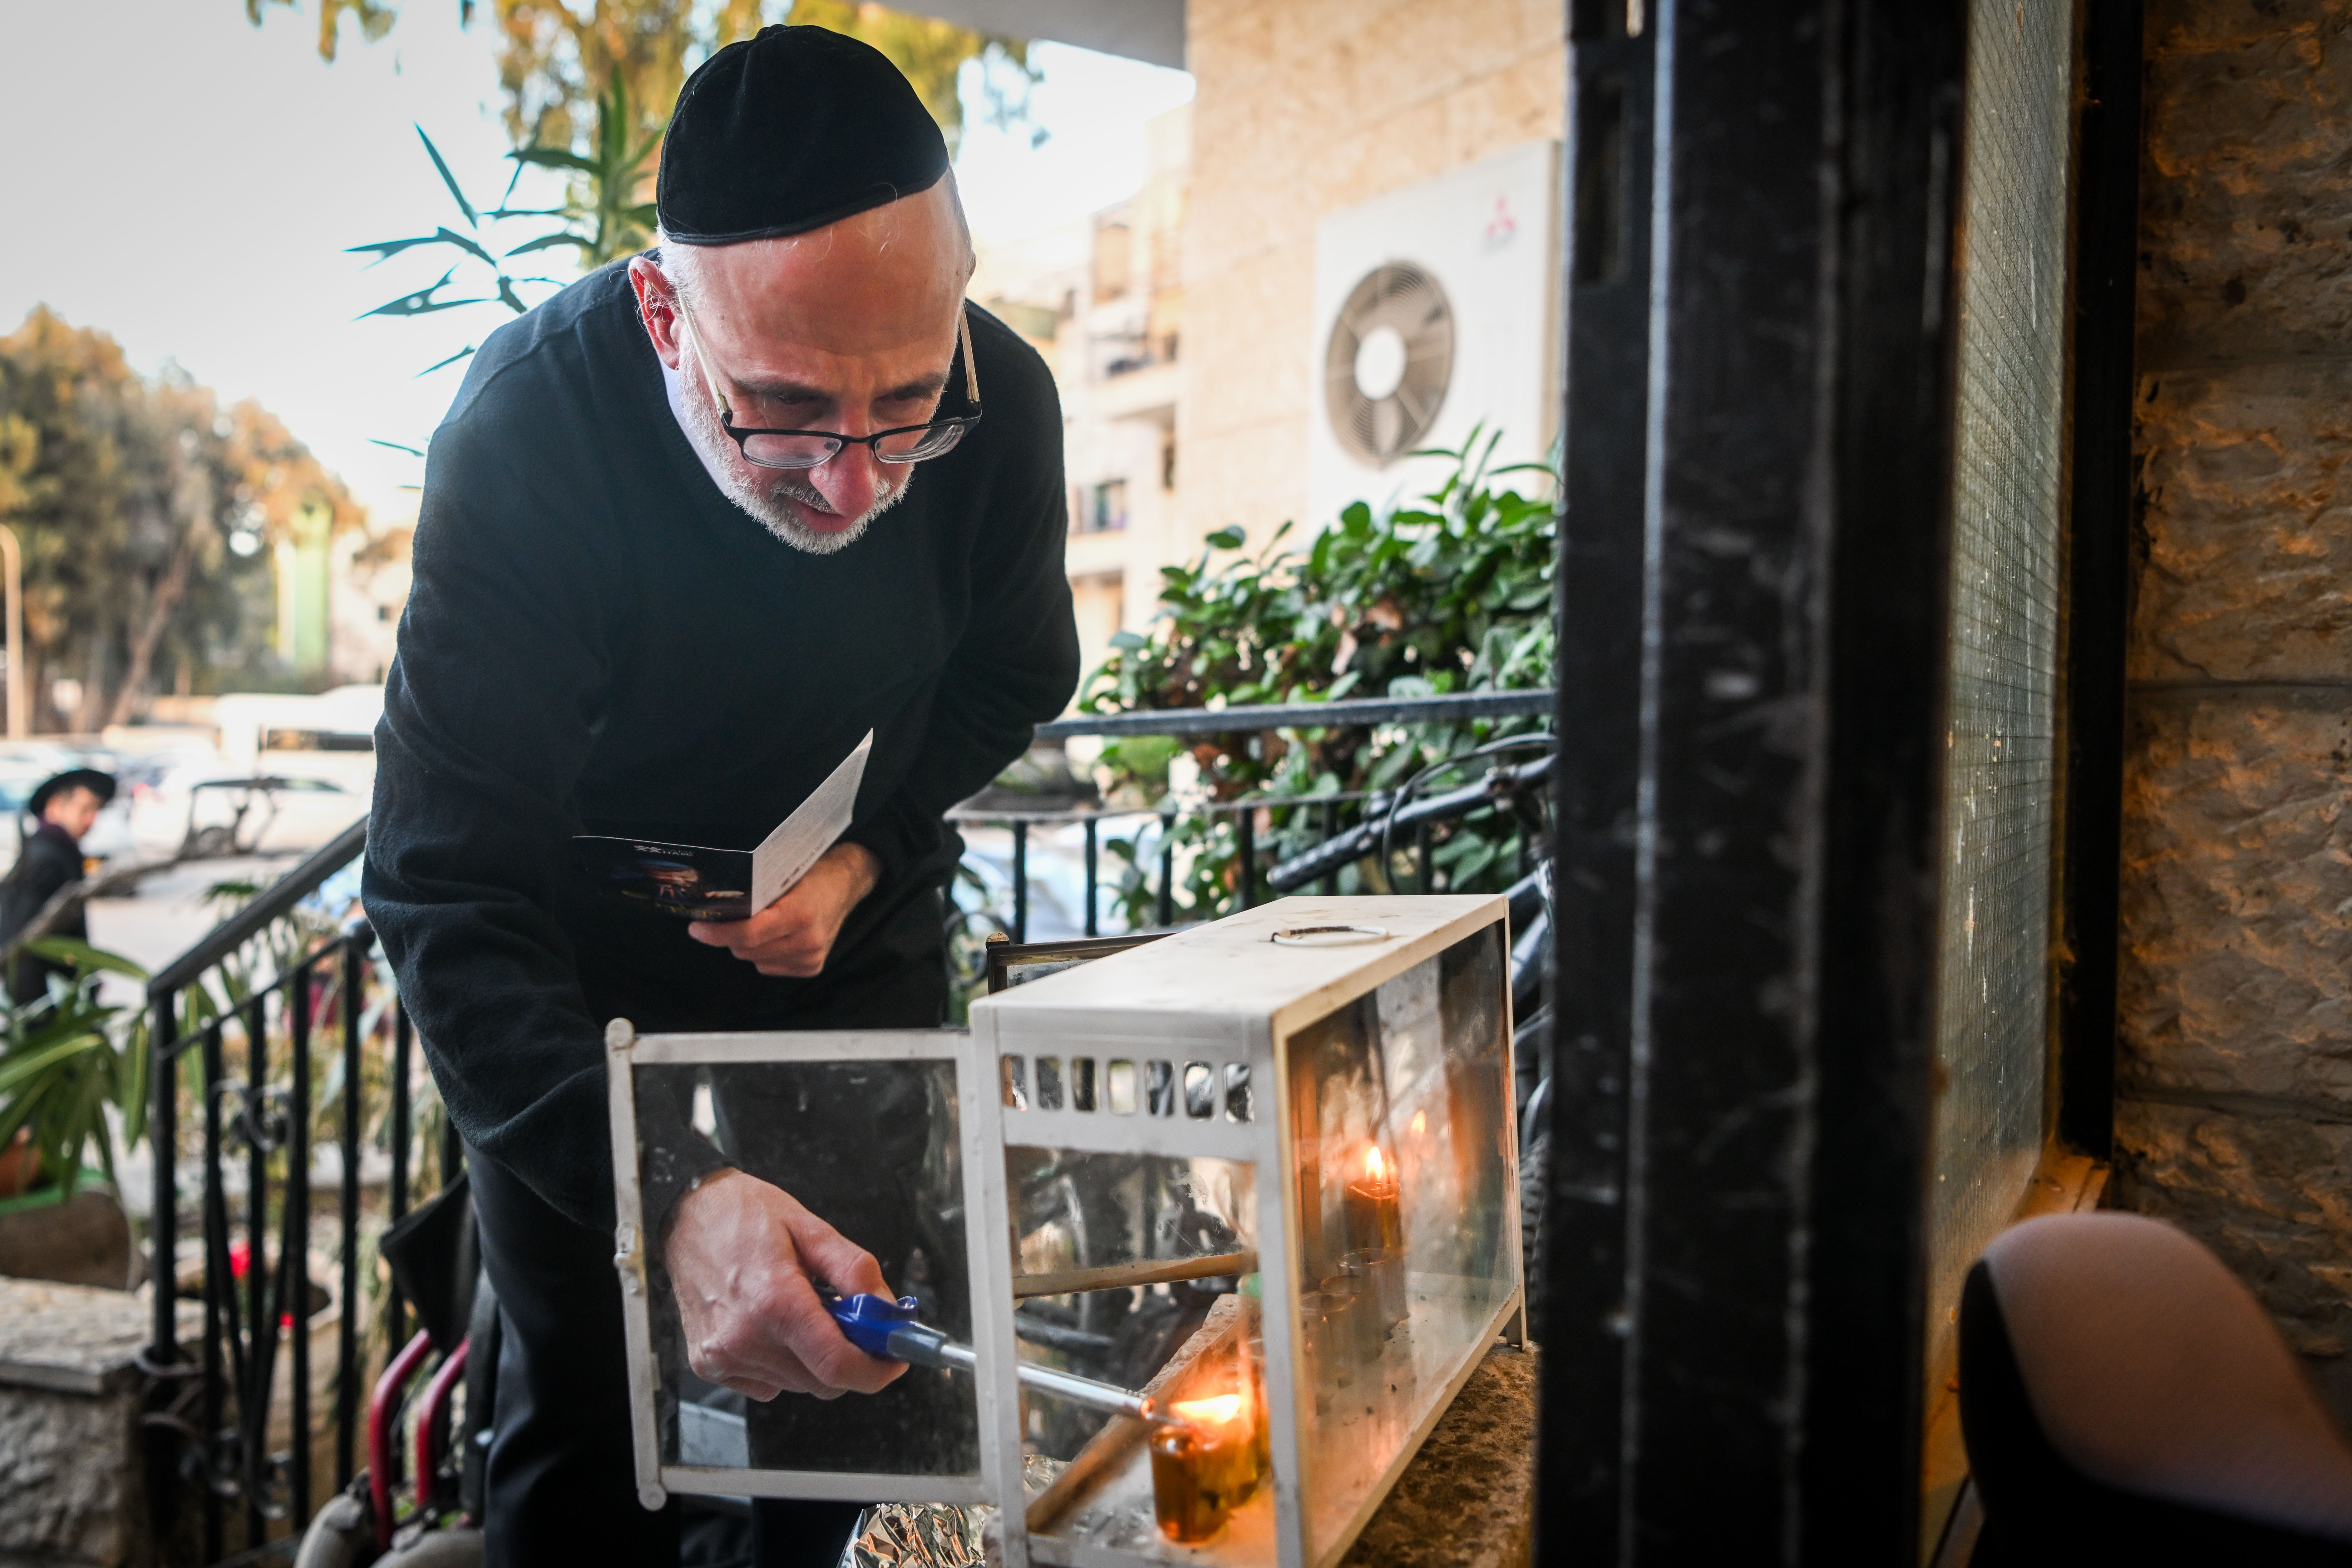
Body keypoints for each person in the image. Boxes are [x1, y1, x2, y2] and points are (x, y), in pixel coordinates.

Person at [360, 24, 1077, 1568]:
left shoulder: (1005, 405)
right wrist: (665, 1193)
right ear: (663, 313)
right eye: (787, 411)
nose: (856, 483)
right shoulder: (527, 441)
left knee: (849, 1408)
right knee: (591, 1450)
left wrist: (870, 856)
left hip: (853, 953)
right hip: (581, 1003)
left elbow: (1013, 677)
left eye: (905, 409)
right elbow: (438, 887)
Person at [0, 768, 115, 1005]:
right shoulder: (47, 859)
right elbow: (25, 942)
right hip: (46, 1002)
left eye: (96, 810)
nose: (92, 820)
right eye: (85, 809)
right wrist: (38, 1013)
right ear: (55, 807)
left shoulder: (56, 851)